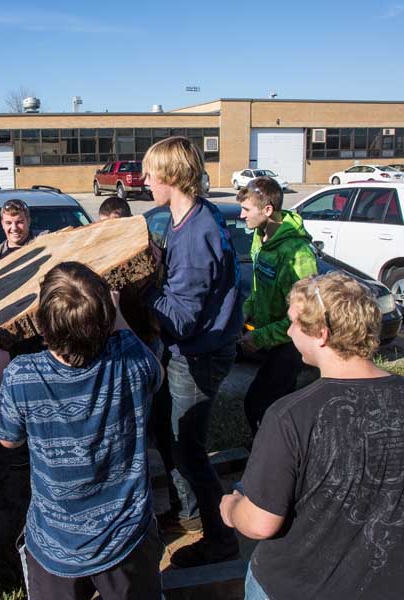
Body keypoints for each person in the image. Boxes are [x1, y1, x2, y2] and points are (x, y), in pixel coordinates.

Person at [221, 271, 404, 600]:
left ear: (322, 334)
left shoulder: (289, 416)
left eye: (294, 323)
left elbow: (259, 523)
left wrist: (231, 507)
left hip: (299, 588)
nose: (288, 332)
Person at [0, 262, 164, 600]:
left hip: (55, 543)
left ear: (41, 325)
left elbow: (7, 439)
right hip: (126, 538)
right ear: (106, 321)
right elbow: (157, 374)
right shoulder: (130, 360)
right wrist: (117, 315)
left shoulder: (22, 374)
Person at [142, 136, 244, 567]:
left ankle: (219, 539)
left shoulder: (198, 231)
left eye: (150, 172)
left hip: (199, 354)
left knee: (190, 450)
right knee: (167, 432)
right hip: (191, 349)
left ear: (168, 175)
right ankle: (186, 514)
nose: (144, 180)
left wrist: (139, 291)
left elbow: (180, 317)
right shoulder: (191, 219)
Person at [238, 176, 318, 436]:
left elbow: (306, 316)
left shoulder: (298, 253)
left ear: (268, 210)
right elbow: (258, 287)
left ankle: (271, 463)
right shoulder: (259, 237)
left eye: (246, 209)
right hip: (268, 340)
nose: (241, 215)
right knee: (275, 408)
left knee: (258, 405)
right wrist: (245, 311)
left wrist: (260, 336)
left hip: (289, 343)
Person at [0, 199, 43, 266]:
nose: (14, 228)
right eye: (8, 223)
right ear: (2, 224)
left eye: (19, 222)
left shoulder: (44, 239)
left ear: (29, 221)